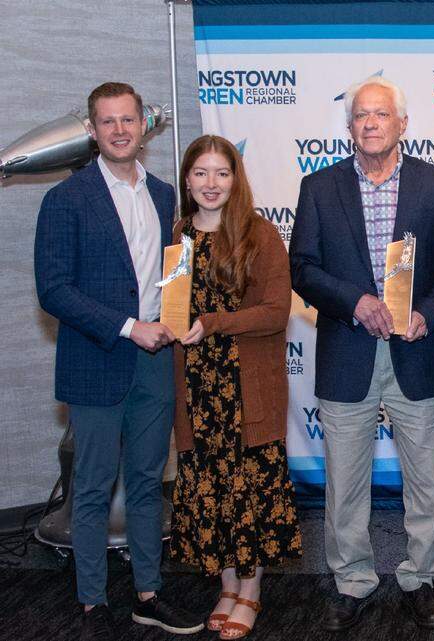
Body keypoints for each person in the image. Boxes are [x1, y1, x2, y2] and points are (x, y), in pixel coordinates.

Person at [290, 76, 434, 631]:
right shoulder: (319, 187)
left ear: (402, 124)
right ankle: (352, 580)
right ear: (349, 127)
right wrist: (355, 301)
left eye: (381, 114)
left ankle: (426, 578)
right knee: (344, 482)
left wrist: (427, 315)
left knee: (428, 481)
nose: (370, 123)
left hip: (417, 351)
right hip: (348, 351)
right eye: (361, 115)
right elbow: (304, 269)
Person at [33, 82, 202, 640]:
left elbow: (168, 274)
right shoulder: (66, 199)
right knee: (93, 487)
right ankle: (91, 603)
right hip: (98, 361)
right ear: (93, 130)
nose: (120, 130)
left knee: (150, 483)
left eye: (129, 119)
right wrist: (130, 328)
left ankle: (149, 595)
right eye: (108, 122)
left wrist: (178, 318)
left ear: (143, 126)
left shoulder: (162, 194)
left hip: (157, 362)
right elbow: (54, 290)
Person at [168, 135, 302, 639]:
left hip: (247, 390)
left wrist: (215, 322)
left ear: (236, 179)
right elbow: (176, 308)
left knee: (250, 491)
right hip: (197, 393)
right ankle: (226, 585)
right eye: (200, 173)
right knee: (211, 491)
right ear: (187, 179)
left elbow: (275, 312)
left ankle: (251, 591)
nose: (210, 184)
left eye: (221, 173)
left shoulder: (259, 234)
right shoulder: (179, 234)